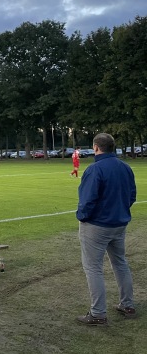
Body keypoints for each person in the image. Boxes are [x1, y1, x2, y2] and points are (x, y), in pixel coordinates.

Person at [76, 133, 137, 325]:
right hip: (119, 224)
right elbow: (132, 196)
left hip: (97, 226)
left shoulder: (95, 169)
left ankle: (98, 313)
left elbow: (87, 201)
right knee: (120, 263)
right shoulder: (125, 167)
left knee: (93, 268)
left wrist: (82, 217)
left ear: (95, 147)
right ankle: (127, 305)